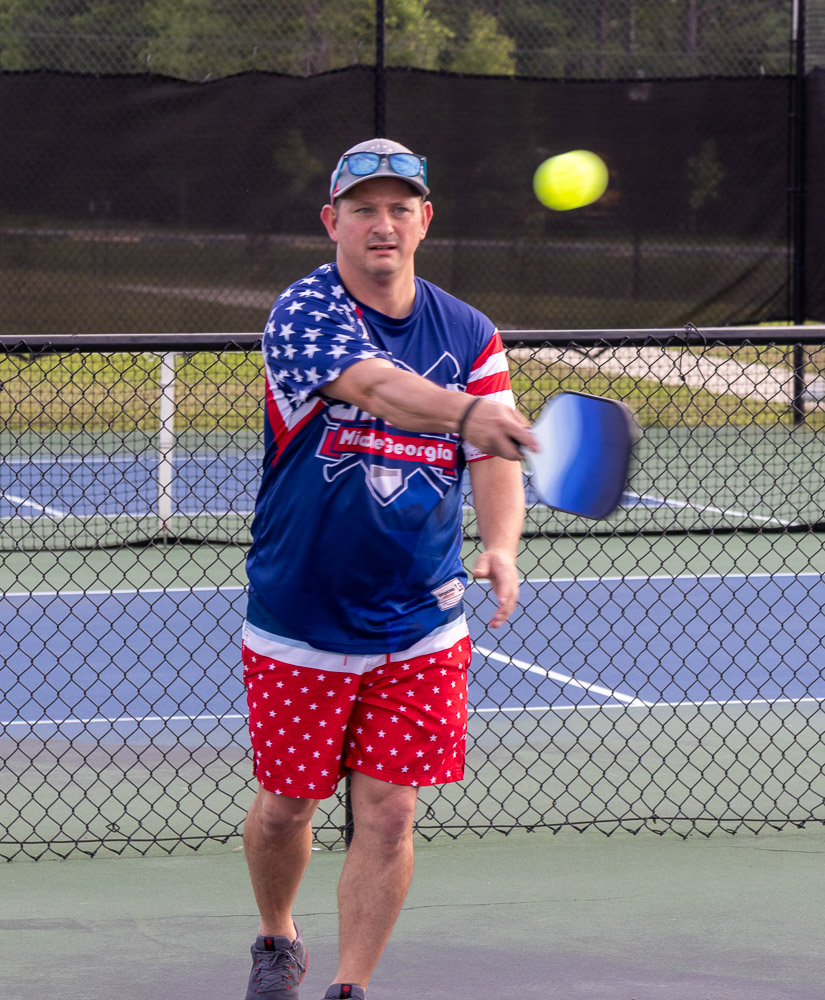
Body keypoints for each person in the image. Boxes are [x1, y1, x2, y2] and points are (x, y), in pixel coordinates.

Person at [241, 137, 535, 1000]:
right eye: (363, 209)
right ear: (330, 221)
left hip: (420, 619)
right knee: (286, 809)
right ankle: (276, 937)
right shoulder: (303, 312)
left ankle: (350, 986)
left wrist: (501, 543)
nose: (382, 224)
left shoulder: (469, 332)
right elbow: (374, 388)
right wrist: (470, 414)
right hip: (302, 612)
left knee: (392, 812)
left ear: (424, 220)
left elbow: (493, 455)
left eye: (399, 208)